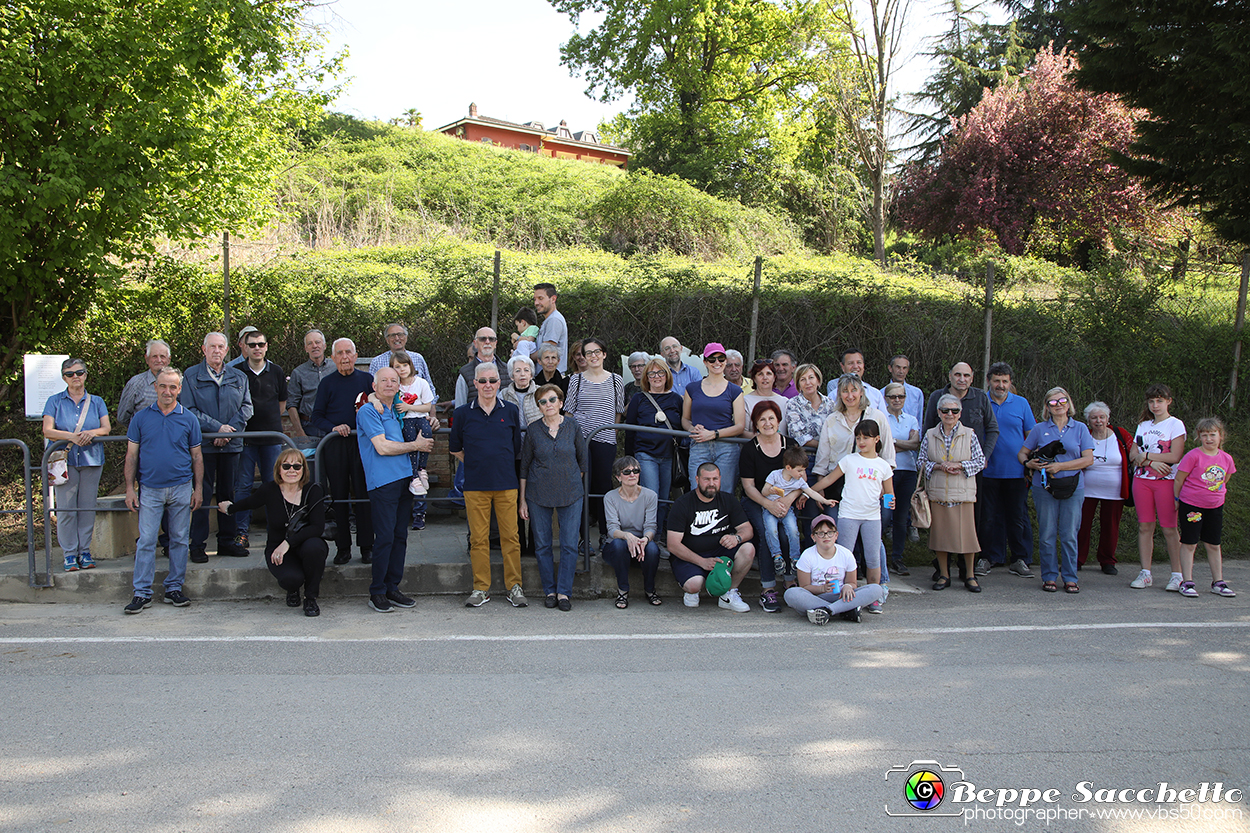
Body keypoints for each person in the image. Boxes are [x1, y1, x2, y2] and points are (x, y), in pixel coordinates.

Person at [353, 367, 434, 613]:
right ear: (374, 386)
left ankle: (392, 587)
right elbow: (382, 447)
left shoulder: (396, 410)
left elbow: (422, 414)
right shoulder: (369, 410)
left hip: (404, 480)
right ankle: (376, 591)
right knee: (385, 537)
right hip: (383, 482)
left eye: (394, 380)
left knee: (400, 536)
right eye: (384, 381)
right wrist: (416, 445)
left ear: (399, 385)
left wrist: (432, 420)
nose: (389, 384)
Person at [122, 368, 203, 613]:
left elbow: (197, 457)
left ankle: (174, 588)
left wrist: (198, 489)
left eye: (173, 387)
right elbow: (131, 455)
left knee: (179, 540)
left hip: (181, 487)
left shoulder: (189, 418)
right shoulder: (141, 418)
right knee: (146, 541)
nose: (167, 391)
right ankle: (141, 593)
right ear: (156, 387)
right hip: (150, 488)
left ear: (179, 389)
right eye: (163, 386)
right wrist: (129, 488)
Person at [450, 361, 527, 609]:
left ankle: (514, 587)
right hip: (475, 486)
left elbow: (515, 447)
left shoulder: (511, 410)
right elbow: (455, 448)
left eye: (492, 381)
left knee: (511, 538)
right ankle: (480, 588)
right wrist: (475, 461)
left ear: (499, 383)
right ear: (475, 383)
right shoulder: (462, 413)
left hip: (506, 483)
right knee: (479, 539)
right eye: (482, 381)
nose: (488, 385)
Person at [218, 448, 328, 616]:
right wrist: (229, 508)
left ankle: (310, 598)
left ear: (304, 469)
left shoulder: (313, 490)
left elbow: (317, 527)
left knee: (316, 547)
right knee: (292, 579)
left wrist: (288, 543)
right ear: (278, 469)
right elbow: (250, 502)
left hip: (304, 544)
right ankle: (293, 589)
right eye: (286, 466)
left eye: (297, 466)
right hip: (277, 548)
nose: (292, 470)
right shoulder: (269, 489)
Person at [180, 332, 252, 562]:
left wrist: (229, 430)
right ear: (203, 349)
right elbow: (189, 409)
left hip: (232, 445)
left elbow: (247, 407)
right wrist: (216, 429)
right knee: (200, 494)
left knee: (228, 494)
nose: (217, 351)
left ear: (227, 349)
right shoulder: (191, 376)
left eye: (221, 347)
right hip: (203, 447)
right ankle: (198, 545)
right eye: (212, 347)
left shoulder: (239, 376)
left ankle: (227, 541)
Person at [812, 419, 894, 610]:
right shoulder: (849, 460)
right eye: (858, 437)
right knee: (844, 557)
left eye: (866, 437)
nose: (862, 441)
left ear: (877, 439)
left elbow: (889, 493)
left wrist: (890, 500)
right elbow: (829, 480)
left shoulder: (883, 466)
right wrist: (807, 491)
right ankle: (843, 595)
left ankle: (873, 596)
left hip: (872, 517)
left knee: (873, 558)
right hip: (848, 515)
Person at [519, 383, 587, 611]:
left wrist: (568, 480)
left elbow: (582, 461)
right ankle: (549, 589)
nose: (548, 404)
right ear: (538, 407)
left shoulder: (573, 426)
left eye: (552, 400)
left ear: (560, 402)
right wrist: (522, 500)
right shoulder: (533, 430)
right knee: (542, 545)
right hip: (538, 493)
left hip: (571, 493)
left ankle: (564, 593)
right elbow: (525, 466)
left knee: (568, 544)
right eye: (543, 401)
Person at [1020, 387, 1094, 593]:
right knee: (1047, 533)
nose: (1058, 405)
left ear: (1069, 403)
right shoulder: (1038, 429)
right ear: (1047, 407)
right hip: (1044, 487)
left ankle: (1070, 577)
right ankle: (1049, 576)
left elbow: (1088, 459)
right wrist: (1029, 464)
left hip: (1073, 486)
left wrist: (1061, 466)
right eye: (1053, 402)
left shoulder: (1080, 428)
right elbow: (1022, 453)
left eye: (1062, 401)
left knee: (1069, 533)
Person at [311, 338, 375, 565]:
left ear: (356, 356)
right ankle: (343, 548)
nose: (345, 357)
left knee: (364, 495)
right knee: (339, 497)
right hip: (335, 445)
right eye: (340, 353)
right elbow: (316, 416)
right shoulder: (327, 383)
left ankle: (367, 546)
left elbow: (379, 408)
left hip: (362, 446)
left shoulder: (368, 380)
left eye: (349, 352)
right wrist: (334, 427)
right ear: (333, 357)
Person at [43, 358, 110, 572]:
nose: (76, 377)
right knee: (66, 509)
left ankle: (85, 550)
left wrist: (91, 433)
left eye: (79, 373)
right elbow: (48, 430)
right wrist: (72, 437)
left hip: (91, 459)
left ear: (86, 375)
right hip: (64, 460)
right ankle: (69, 553)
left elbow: (106, 428)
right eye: (70, 374)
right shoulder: (54, 401)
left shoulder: (97, 401)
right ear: (64, 377)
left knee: (87, 508)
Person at [739, 400, 802, 612]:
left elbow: (801, 480)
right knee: (768, 534)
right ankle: (767, 590)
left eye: (771, 418)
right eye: (762, 419)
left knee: (787, 534)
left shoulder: (791, 445)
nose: (767, 423)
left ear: (778, 420)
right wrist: (768, 504)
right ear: (755, 423)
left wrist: (787, 500)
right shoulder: (749, 449)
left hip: (786, 501)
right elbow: (748, 487)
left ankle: (790, 582)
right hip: (757, 500)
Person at [919, 393, 986, 593]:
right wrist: (939, 467)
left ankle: (970, 575)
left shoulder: (970, 434)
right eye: (945, 410)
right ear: (939, 412)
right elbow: (920, 461)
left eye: (954, 410)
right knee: (940, 537)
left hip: (963, 494)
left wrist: (960, 465)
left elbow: (980, 461)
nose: (950, 414)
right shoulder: (930, 434)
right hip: (938, 493)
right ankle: (944, 575)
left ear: (960, 413)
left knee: (967, 537)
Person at [666, 462, 755, 612]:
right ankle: (692, 591)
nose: (711, 484)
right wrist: (702, 562)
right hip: (691, 556)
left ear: (720, 479)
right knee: (694, 585)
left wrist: (736, 538)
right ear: (697, 479)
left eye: (715, 479)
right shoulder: (682, 504)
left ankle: (728, 593)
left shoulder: (728, 500)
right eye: (706, 479)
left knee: (748, 549)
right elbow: (673, 544)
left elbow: (747, 529)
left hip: (721, 554)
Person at [564, 336, 625, 547]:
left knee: (603, 487)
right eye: (588, 353)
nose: (593, 356)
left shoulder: (616, 380)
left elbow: (618, 412)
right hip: (580, 440)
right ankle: (582, 538)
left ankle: (605, 533)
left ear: (604, 354)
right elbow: (569, 412)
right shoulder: (576, 380)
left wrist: (612, 434)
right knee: (582, 487)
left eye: (597, 351)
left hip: (605, 440)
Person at [978, 362, 1036, 578]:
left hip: (1016, 471)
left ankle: (1020, 559)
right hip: (987, 470)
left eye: (1004, 381)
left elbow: (1031, 435)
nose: (1000, 385)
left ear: (1010, 382)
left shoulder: (1021, 403)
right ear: (988, 381)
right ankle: (987, 557)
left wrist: (1031, 463)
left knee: (1017, 517)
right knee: (988, 517)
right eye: (996, 381)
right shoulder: (981, 402)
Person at [232, 329, 288, 550]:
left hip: (272, 438)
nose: (257, 348)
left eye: (260, 344)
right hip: (245, 438)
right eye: (252, 344)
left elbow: (282, 403)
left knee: (273, 485)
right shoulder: (236, 372)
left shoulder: (276, 371)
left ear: (266, 346)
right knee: (243, 487)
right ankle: (241, 534)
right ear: (245, 347)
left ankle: (274, 533)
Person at [1128, 383, 1187, 591]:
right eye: (1152, 401)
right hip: (1142, 481)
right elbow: (1133, 455)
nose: (1155, 405)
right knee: (1145, 526)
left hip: (1167, 482)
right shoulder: (1143, 425)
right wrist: (1150, 462)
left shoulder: (1175, 425)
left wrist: (1146, 456)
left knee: (1170, 528)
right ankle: (1145, 573)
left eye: (1159, 401)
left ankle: (1177, 574)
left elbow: (1175, 456)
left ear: (1168, 401)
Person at [1173, 417, 1236, 598]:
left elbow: (1225, 478)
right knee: (1189, 542)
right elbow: (1179, 479)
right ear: (1199, 437)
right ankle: (1187, 582)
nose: (1209, 439)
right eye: (1204, 435)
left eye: (1212, 434)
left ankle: (1218, 582)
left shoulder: (1226, 458)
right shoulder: (1193, 455)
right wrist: (1177, 499)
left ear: (1220, 436)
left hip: (1215, 507)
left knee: (1213, 544)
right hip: (1192, 506)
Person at [783, 515, 885, 624]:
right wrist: (822, 588)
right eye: (821, 533)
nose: (826, 536)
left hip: (842, 596)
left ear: (836, 535)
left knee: (876, 589)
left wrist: (848, 586)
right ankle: (843, 611)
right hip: (816, 598)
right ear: (813, 537)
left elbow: (852, 582)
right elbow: (804, 587)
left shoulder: (846, 554)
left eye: (830, 532)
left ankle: (828, 611)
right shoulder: (807, 556)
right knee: (791, 593)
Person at [623, 357, 683, 534]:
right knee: (651, 495)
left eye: (660, 372)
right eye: (652, 373)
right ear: (646, 377)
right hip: (645, 454)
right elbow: (630, 430)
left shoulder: (676, 399)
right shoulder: (639, 399)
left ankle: (657, 535)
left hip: (668, 456)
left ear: (667, 375)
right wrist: (629, 459)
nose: (657, 377)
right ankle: (648, 536)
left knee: (663, 498)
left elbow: (682, 425)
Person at [760, 445, 834, 579]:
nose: (802, 474)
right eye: (800, 470)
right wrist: (771, 491)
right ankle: (777, 556)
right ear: (789, 468)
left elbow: (810, 492)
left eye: (804, 470)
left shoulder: (799, 481)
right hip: (771, 508)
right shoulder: (775, 475)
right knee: (771, 530)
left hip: (787, 510)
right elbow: (764, 491)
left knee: (793, 530)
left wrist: (825, 501)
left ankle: (795, 557)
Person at [1077, 401, 1133, 575]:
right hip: (1086, 489)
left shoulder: (1120, 434)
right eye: (1094, 418)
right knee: (1081, 525)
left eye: (1102, 417)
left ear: (1108, 418)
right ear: (1088, 420)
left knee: (1110, 526)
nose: (1098, 421)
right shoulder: (1084, 434)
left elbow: (1134, 454)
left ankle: (1107, 560)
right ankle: (1077, 559)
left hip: (1115, 490)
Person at [681, 342, 745, 492]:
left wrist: (714, 434)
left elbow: (739, 426)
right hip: (699, 445)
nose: (717, 362)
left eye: (721, 359)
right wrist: (692, 428)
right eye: (712, 359)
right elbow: (685, 419)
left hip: (726, 447)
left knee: (724, 491)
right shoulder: (692, 388)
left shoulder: (735, 391)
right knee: (697, 490)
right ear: (705, 362)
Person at [602, 456, 662, 609]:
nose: (632, 475)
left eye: (635, 471)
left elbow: (650, 526)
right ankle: (622, 590)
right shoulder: (610, 497)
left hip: (641, 545)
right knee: (618, 545)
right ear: (618, 477)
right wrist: (628, 536)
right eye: (627, 472)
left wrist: (644, 540)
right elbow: (612, 529)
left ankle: (650, 589)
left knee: (653, 549)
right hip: (619, 544)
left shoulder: (650, 495)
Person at [882, 382, 919, 576]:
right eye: (893, 397)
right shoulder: (881, 418)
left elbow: (915, 444)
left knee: (902, 517)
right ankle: (878, 557)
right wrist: (902, 443)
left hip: (908, 473)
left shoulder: (911, 419)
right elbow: (882, 445)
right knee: (885, 514)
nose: (897, 400)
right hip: (888, 474)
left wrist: (894, 442)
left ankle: (897, 557)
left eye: (901, 396)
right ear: (886, 398)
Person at [368, 322, 437, 399]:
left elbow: (429, 385)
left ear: (406, 337)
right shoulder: (377, 362)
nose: (397, 338)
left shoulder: (418, 358)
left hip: (418, 407)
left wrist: (432, 406)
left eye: (400, 334)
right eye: (392, 335)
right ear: (387, 340)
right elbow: (372, 389)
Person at [286, 329, 335, 439]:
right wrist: (300, 432)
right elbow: (291, 405)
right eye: (310, 343)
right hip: (310, 427)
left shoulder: (336, 368)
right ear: (306, 348)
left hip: (334, 425)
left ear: (325, 345)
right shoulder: (298, 373)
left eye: (317, 342)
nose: (314, 346)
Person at [117, 339, 171, 425]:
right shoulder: (135, 383)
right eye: (154, 356)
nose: (159, 360)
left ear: (169, 360)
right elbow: (122, 417)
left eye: (162, 356)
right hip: (142, 437)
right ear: (147, 359)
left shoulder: (179, 382)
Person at [454, 327, 510, 407]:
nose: (487, 342)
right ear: (475, 343)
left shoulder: (508, 370)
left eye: (491, 339)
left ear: (495, 343)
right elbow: (459, 409)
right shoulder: (465, 373)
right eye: (482, 339)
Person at [784, 364, 835, 449]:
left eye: (811, 378)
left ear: (818, 381)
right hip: (805, 454)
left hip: (829, 454)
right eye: (803, 379)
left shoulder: (830, 403)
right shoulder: (792, 404)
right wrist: (823, 446)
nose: (808, 382)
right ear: (798, 385)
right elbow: (797, 435)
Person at [826, 347, 886, 412]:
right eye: (850, 363)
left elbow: (884, 420)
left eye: (859, 362)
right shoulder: (833, 395)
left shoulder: (875, 394)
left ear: (863, 365)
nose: (855, 366)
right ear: (842, 367)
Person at [742, 358, 788, 437]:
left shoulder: (785, 402)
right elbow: (742, 433)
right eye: (760, 374)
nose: (765, 377)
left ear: (774, 377)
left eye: (769, 373)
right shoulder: (745, 401)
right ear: (754, 378)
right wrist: (766, 439)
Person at [534, 282, 569, 371]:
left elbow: (546, 351)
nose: (536, 303)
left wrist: (523, 356)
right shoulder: (549, 319)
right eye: (535, 299)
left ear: (553, 299)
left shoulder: (554, 320)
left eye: (540, 298)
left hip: (551, 378)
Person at [501, 355, 541, 426]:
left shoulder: (541, 392)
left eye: (526, 370)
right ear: (512, 376)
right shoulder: (504, 394)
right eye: (518, 371)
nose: (522, 374)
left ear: (531, 375)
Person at [887, 354, 924, 429]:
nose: (901, 371)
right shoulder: (881, 393)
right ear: (890, 368)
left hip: (912, 437)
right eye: (898, 367)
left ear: (908, 370)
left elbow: (919, 419)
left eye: (904, 368)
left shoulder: (916, 393)